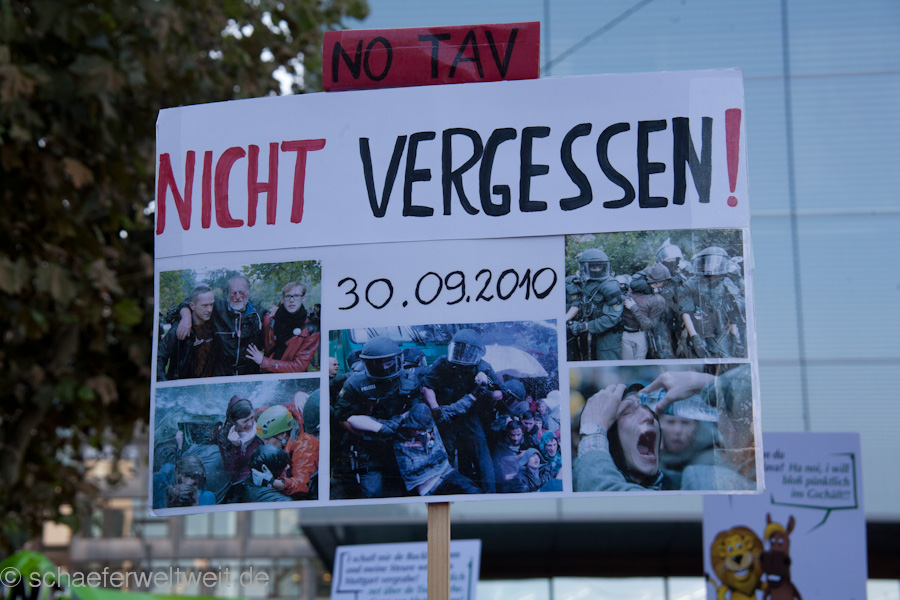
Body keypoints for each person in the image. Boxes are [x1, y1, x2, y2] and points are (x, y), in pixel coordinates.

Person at [332, 336, 420, 498]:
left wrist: (398, 424)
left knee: (412, 489)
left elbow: (417, 409)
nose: (384, 367)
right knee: (372, 493)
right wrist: (363, 434)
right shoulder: (355, 383)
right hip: (369, 445)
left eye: (389, 362)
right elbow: (342, 415)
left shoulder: (410, 379)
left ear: (398, 359)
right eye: (378, 363)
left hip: (401, 440)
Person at [646, 365, 756, 490]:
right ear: (659, 423)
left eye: (685, 423)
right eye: (671, 422)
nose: (678, 430)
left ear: (697, 425)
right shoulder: (649, 454)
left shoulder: (713, 462)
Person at [421, 329, 502, 493]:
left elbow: (500, 393)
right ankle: (446, 493)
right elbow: (427, 386)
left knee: (482, 456)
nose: (463, 356)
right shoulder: (442, 362)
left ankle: (490, 494)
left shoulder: (483, 367)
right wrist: (436, 410)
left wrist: (485, 386)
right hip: (446, 415)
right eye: (460, 349)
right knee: (445, 457)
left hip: (469, 416)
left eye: (468, 352)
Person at [347, 403, 481, 496]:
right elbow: (352, 420)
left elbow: (457, 407)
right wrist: (395, 421)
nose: (418, 432)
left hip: (447, 472)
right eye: (414, 428)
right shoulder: (397, 430)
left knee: (475, 493)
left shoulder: (430, 421)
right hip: (427, 485)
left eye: (421, 429)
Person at [573, 383, 670, 491]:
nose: (649, 416)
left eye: (652, 411)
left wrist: (592, 431)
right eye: (628, 412)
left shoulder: (679, 485)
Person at [175, 275, 263, 376]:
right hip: (221, 374)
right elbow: (189, 301)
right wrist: (186, 317)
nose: (238, 297)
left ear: (248, 292)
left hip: (249, 374)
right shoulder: (218, 308)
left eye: (241, 292)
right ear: (227, 294)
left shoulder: (258, 314)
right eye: (234, 293)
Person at [677, 247, 746, 359]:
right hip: (697, 328)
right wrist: (694, 337)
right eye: (708, 263)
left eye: (714, 263)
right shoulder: (691, 284)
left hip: (721, 329)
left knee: (724, 357)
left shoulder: (726, 282)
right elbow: (685, 312)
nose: (710, 266)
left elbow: (733, 310)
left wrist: (735, 336)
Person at [246, 281, 320, 373]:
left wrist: (263, 361)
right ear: (282, 299)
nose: (291, 300)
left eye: (296, 296)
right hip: (268, 377)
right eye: (288, 296)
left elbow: (300, 366)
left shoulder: (311, 330)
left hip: (292, 380)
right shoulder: (269, 319)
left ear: (303, 298)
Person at [565, 248, 625, 361]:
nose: (597, 269)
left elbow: (612, 317)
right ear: (584, 267)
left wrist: (584, 327)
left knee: (606, 364)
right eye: (593, 266)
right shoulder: (586, 283)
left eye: (599, 266)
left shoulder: (610, 286)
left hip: (608, 336)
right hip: (591, 333)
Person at [252, 402, 319, 500]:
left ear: (283, 434)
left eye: (267, 440)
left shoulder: (304, 447)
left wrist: (273, 482)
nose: (265, 444)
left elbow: (302, 485)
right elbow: (263, 412)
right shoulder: (283, 416)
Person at [157, 284, 215, 381]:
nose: (209, 310)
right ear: (192, 306)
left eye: (211, 305)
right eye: (204, 306)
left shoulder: (214, 324)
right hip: (181, 384)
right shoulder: (178, 329)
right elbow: (159, 357)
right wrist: (164, 383)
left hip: (206, 384)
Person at [619, 264, 668, 360]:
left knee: (639, 365)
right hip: (625, 333)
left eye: (659, 281)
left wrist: (634, 308)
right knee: (626, 364)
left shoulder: (658, 299)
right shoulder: (632, 291)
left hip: (640, 334)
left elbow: (649, 325)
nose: (656, 283)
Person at [217, 395, 262, 486]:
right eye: (245, 421)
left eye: (252, 417)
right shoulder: (224, 436)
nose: (250, 424)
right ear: (233, 421)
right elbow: (232, 471)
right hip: (244, 479)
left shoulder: (260, 421)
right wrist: (236, 447)